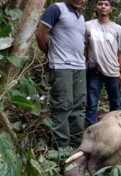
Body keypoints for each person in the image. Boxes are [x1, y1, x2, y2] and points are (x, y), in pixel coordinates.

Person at [35, 0, 86, 148]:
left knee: (78, 106)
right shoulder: (57, 8)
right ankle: (62, 148)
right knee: (62, 105)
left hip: (80, 66)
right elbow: (40, 34)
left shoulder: (81, 17)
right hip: (61, 65)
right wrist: (50, 54)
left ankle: (78, 144)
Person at [84, 0, 121, 126]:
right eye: (100, 4)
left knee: (115, 104)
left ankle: (115, 131)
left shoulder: (118, 29)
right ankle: (92, 131)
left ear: (111, 8)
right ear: (95, 7)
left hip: (113, 71)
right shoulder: (88, 25)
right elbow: (85, 48)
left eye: (106, 4)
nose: (103, 6)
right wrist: (84, 65)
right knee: (91, 103)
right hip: (94, 71)